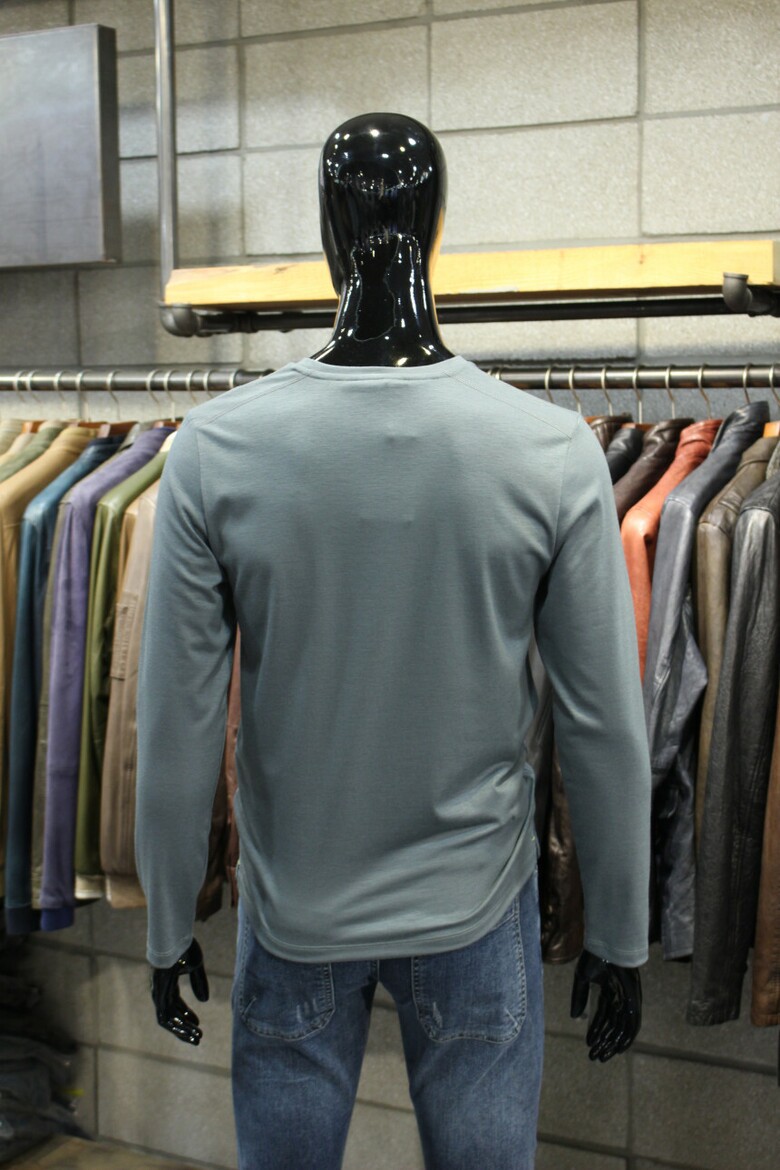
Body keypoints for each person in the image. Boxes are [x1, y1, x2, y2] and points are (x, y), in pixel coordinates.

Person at [136, 112, 651, 1170]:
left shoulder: (217, 451)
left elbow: (175, 724)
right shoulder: (549, 452)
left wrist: (164, 923)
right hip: (476, 906)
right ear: (439, 226)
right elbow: (603, 723)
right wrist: (620, 931)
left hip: (296, 911)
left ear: (327, 231)